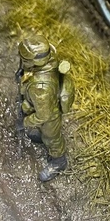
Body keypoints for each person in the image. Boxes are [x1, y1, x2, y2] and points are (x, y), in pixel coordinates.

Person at [16, 33, 74, 182]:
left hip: (49, 116)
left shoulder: (41, 87)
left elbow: (43, 116)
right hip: (45, 105)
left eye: (25, 60)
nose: (22, 61)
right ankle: (42, 135)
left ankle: (59, 162)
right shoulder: (49, 58)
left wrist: (25, 122)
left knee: (51, 138)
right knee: (43, 130)